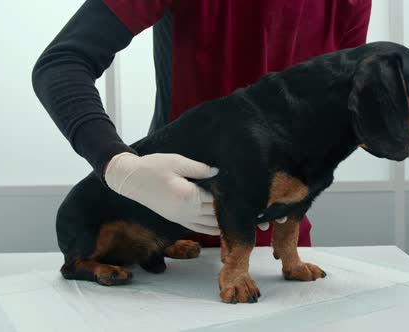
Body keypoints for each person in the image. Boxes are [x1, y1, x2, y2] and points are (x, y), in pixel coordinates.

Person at [32, 0, 372, 248]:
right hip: (170, 236)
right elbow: (63, 63)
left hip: (278, 244)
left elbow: (339, 105)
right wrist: (120, 166)